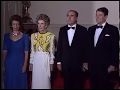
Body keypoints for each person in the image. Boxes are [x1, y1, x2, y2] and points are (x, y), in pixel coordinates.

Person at [87, 7, 119, 89]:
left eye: (100, 15)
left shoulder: (113, 29)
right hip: (92, 66)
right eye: (96, 15)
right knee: (93, 85)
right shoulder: (90, 29)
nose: (97, 17)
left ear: (105, 16)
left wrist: (113, 65)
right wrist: (85, 61)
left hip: (105, 66)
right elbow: (87, 47)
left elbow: (115, 48)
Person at [56, 10, 88, 89]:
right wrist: (59, 62)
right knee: (67, 84)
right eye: (67, 15)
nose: (69, 17)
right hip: (65, 63)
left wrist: (85, 61)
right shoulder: (62, 30)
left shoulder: (83, 30)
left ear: (76, 18)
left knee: (79, 84)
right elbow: (59, 46)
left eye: (72, 15)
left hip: (78, 63)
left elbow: (86, 47)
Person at [2, 15, 30, 89]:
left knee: (21, 83)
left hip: (20, 63)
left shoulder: (25, 37)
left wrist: (25, 65)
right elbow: (5, 52)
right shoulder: (6, 36)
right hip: (9, 64)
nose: (16, 26)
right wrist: (3, 65)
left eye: (17, 24)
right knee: (9, 82)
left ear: (20, 25)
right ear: (11, 25)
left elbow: (26, 52)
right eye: (14, 24)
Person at [29, 14, 55, 89]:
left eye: (42, 23)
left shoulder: (51, 36)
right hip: (36, 60)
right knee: (36, 80)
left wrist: (51, 63)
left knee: (45, 81)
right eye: (38, 23)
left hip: (45, 60)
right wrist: (31, 62)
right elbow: (32, 50)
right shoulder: (33, 36)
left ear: (46, 25)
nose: (40, 25)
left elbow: (52, 51)